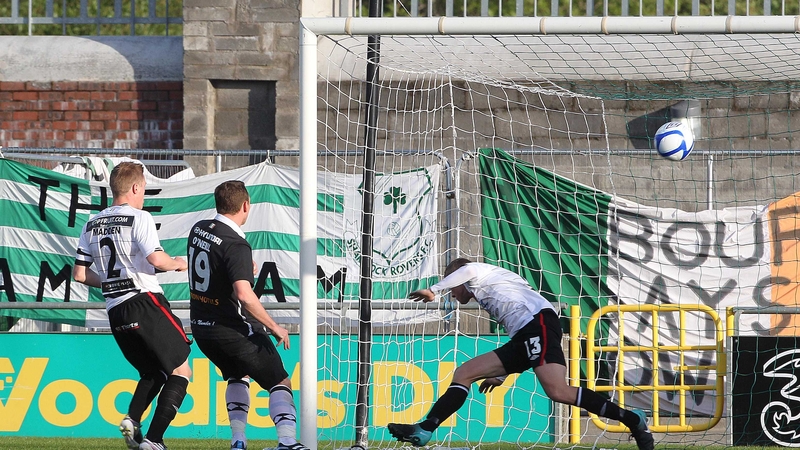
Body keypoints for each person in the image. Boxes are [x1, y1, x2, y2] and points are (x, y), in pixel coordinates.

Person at [387, 258, 654, 450]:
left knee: (558, 391)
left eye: (453, 287)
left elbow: (466, 269)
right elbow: (520, 339)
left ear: (458, 278)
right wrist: (501, 373)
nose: (454, 294)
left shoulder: (478, 272)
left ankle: (632, 418)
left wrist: (435, 289)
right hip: (527, 333)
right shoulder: (494, 288)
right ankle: (425, 429)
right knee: (464, 373)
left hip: (538, 323)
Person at [72, 161, 191, 450]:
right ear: (136, 187)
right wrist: (178, 264)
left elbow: (79, 274)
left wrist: (114, 283)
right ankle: (155, 440)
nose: (144, 196)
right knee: (181, 370)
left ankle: (132, 419)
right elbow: (156, 259)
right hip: (144, 302)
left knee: (154, 372)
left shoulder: (91, 223)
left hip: (115, 309)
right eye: (144, 190)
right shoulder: (139, 218)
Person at [187, 180, 309, 450]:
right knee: (279, 380)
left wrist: (240, 268)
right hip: (232, 329)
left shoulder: (198, 230)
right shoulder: (236, 244)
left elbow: (214, 265)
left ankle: (238, 440)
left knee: (237, 375)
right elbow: (244, 294)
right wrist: (275, 327)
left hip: (202, 329)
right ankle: (288, 441)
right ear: (245, 206)